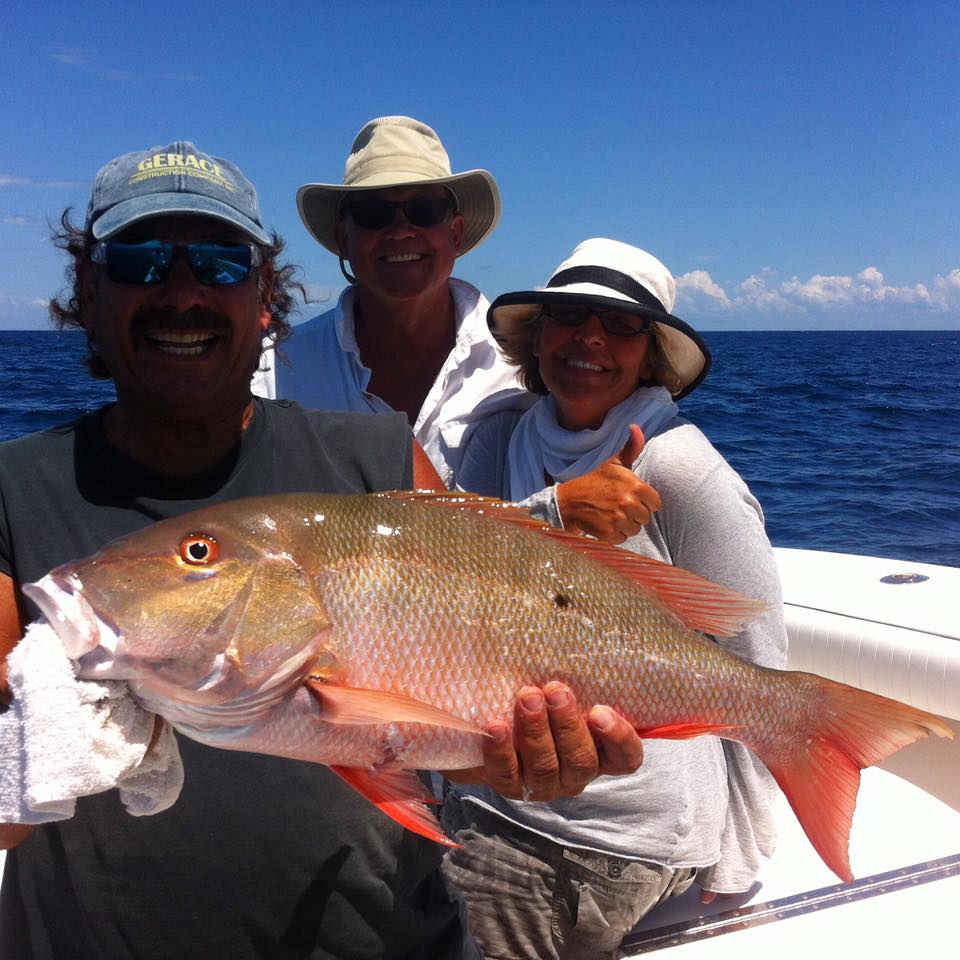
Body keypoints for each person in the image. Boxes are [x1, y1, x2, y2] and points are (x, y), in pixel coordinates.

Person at [0, 149, 644, 960]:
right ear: (88, 294)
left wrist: (529, 756)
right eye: (139, 260)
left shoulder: (376, 454)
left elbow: (449, 736)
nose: (184, 291)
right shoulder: (11, 494)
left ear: (264, 297)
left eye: (222, 262)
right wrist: (42, 746)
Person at [442, 238, 788, 960]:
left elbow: (758, 662)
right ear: (538, 338)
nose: (590, 338)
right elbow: (447, 565)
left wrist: (741, 854)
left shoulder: (682, 467)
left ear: (651, 354)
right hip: (485, 786)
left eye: (621, 324)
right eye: (570, 315)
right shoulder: (497, 433)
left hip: (604, 833)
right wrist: (557, 511)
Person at [253, 115, 659, 543]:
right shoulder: (271, 370)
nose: (401, 231)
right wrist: (555, 512)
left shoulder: (534, 370)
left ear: (456, 232)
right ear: (343, 237)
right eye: (373, 214)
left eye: (424, 211)